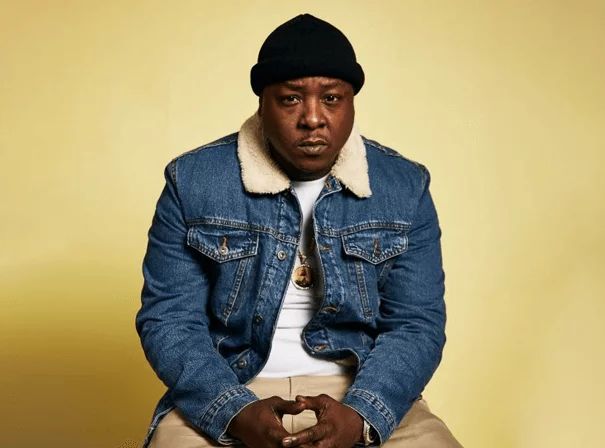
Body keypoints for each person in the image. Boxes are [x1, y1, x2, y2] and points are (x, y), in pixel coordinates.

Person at [136, 13, 462, 448]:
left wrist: (362, 414)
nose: (312, 118)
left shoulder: (404, 186)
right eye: (290, 99)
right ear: (262, 103)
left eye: (331, 98)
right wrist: (234, 411)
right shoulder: (193, 181)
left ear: (351, 102)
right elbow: (169, 320)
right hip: (229, 386)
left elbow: (416, 325)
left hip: (363, 390)